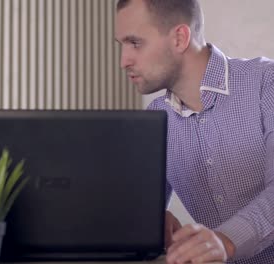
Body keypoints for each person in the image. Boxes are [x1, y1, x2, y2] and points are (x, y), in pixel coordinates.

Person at [115, 0, 274, 263]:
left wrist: (225, 240)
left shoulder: (267, 83)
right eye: (121, 45)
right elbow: (137, 209)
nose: (123, 61)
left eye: (135, 43)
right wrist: (151, 221)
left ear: (179, 38)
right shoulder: (155, 119)